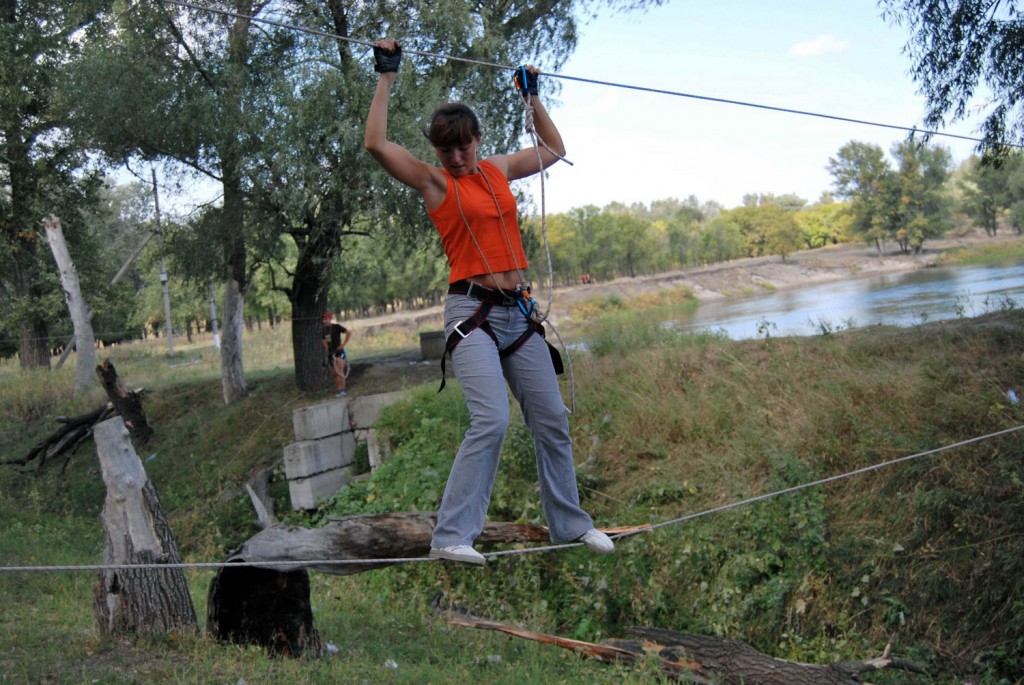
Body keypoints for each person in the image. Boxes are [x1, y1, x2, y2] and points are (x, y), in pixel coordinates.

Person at [364, 39, 614, 565]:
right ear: (436, 151)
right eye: (445, 149)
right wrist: (386, 76)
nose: (456, 158)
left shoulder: (497, 170)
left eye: (463, 147)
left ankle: (569, 525)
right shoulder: (436, 183)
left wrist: (532, 98)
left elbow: (552, 150)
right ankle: (452, 536)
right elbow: (377, 145)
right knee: (492, 420)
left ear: (478, 140)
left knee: (550, 417)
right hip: (471, 313)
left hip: (517, 313)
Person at [322, 312, 351, 396]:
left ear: (329, 319)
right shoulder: (323, 330)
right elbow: (323, 340)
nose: (324, 321)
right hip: (331, 353)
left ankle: (343, 390)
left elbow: (348, 332)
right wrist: (326, 347)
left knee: (340, 370)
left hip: (339, 352)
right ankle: (339, 389)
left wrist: (343, 344)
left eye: (326, 319)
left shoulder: (336, 327)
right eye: (323, 319)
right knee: (334, 373)